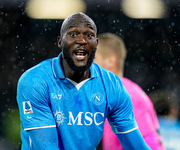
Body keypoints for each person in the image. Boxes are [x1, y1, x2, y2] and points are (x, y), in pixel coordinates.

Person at [16, 13, 151, 150]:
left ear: (96, 44)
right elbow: (46, 147)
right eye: (73, 34)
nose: (82, 40)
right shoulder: (35, 81)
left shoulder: (112, 85)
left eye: (89, 35)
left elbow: (137, 146)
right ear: (60, 42)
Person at [94, 33, 165, 150]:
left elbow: (149, 145)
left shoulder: (129, 97)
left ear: (110, 60)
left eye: (93, 58)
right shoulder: (109, 95)